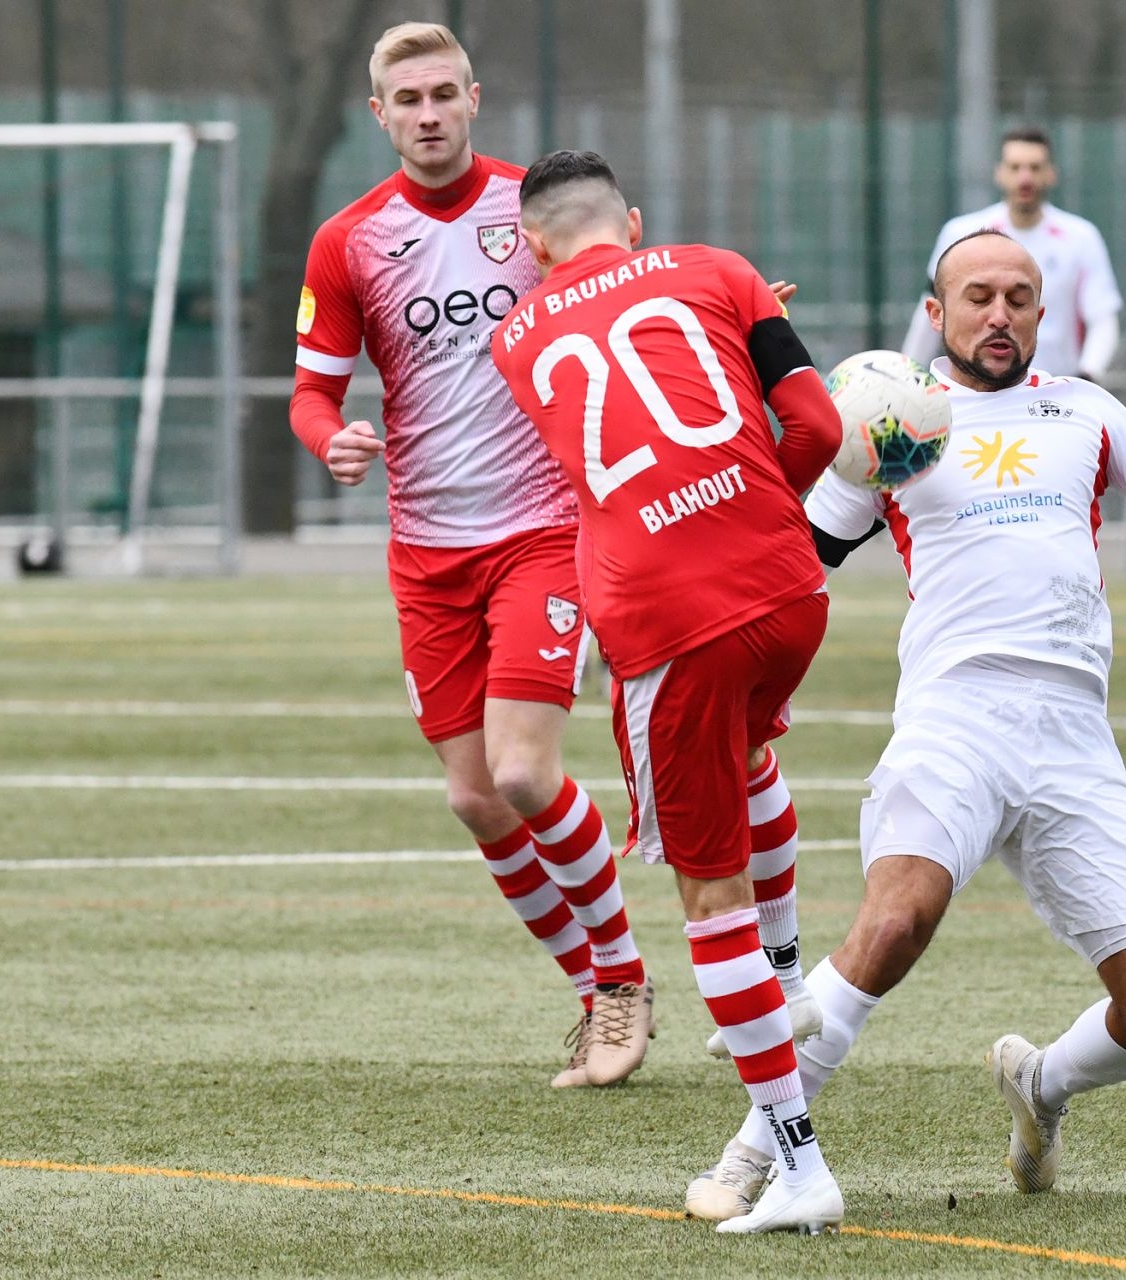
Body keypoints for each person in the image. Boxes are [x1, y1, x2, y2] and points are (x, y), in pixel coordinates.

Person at [691, 229, 1126, 1220]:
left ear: (1042, 311)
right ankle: (757, 1148)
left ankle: (1044, 1084)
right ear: (935, 314)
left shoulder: (1085, 410)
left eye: (1020, 296)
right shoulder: (889, 423)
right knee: (894, 920)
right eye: (977, 295)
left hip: (1073, 732)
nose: (1001, 313)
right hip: (956, 713)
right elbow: (789, 551)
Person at [490, 150, 847, 1235]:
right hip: (788, 589)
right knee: (749, 761)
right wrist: (755, 509)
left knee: (708, 898)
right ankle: (784, 980)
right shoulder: (720, 268)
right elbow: (821, 430)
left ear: (534, 247)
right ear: (633, 223)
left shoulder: (516, 335)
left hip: (666, 618)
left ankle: (796, 1161)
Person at [288, 22, 651, 1088]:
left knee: (525, 771)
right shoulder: (348, 239)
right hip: (426, 548)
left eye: (445, 92)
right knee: (474, 797)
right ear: (382, 115)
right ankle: (593, 992)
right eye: (410, 99)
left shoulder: (532, 211)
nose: (430, 113)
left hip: (542, 529)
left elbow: (633, 295)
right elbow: (313, 390)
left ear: (475, 98)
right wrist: (332, 438)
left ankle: (622, 982)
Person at [899, 127, 1121, 381]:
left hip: (1053, 395)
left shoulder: (1081, 237)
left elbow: (1103, 318)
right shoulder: (961, 233)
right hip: (976, 389)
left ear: (1051, 174)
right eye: (1015, 167)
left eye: (1035, 168)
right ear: (1000, 174)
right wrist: (908, 376)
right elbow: (928, 315)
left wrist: (1087, 375)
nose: (1025, 178)